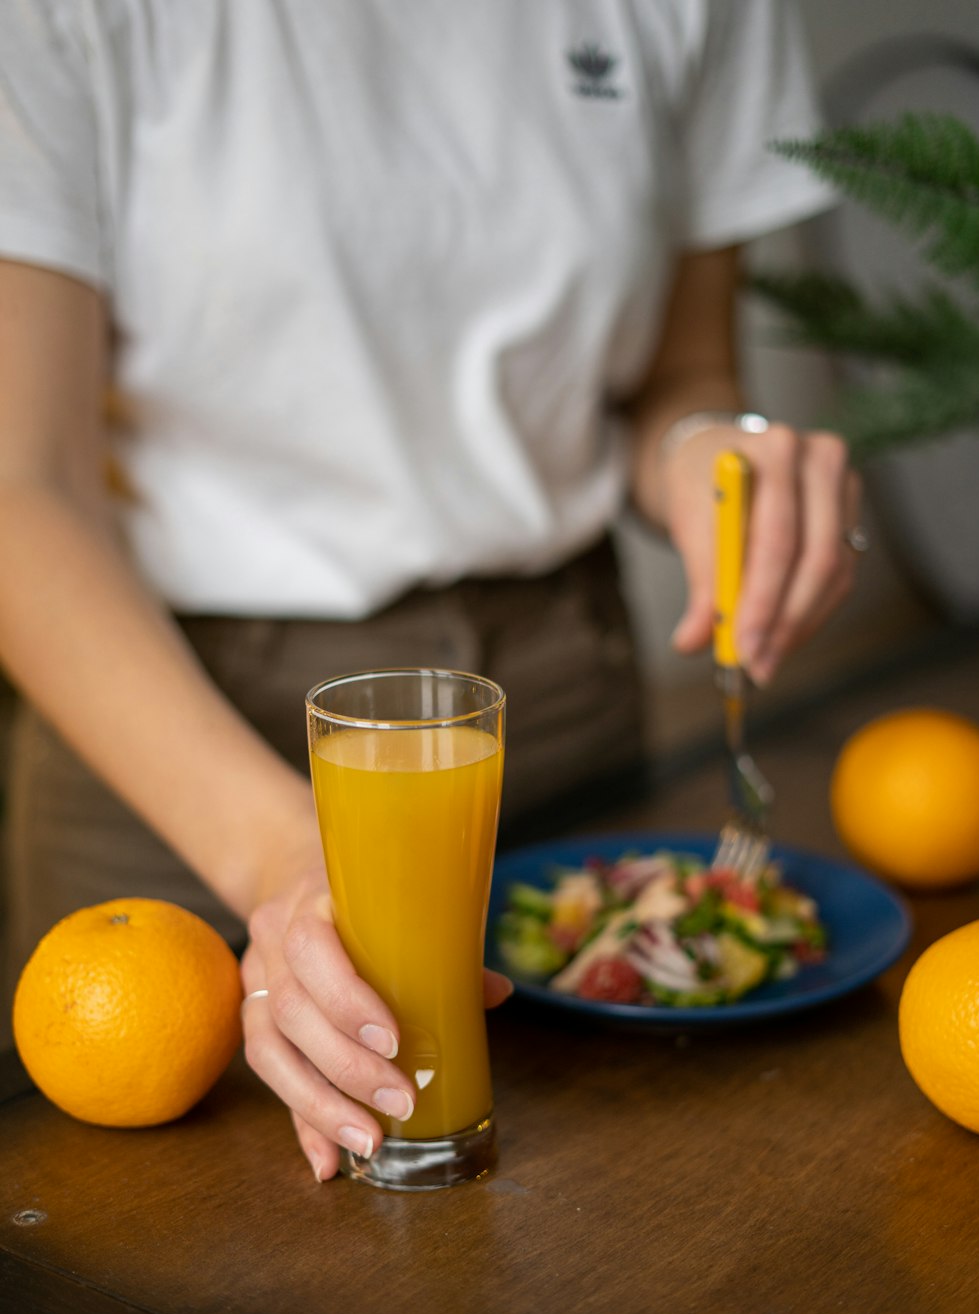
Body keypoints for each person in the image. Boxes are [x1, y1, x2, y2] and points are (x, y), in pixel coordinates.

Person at [0, 0, 860, 1184]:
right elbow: (19, 489)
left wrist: (712, 454)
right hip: (173, 737)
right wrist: (281, 861)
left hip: (551, 692)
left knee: (603, 1235)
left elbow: (682, 374)